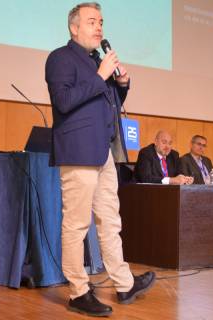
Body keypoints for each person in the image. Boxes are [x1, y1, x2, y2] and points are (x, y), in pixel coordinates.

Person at [45, 2, 155, 317]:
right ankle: (79, 291)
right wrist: (102, 74)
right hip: (78, 151)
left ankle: (124, 284)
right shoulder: (60, 58)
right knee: (77, 224)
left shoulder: (97, 61)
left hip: (103, 151)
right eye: (92, 21)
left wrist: (121, 85)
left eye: (101, 22)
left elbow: (107, 105)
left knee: (111, 220)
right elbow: (64, 101)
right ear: (74, 27)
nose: (99, 27)